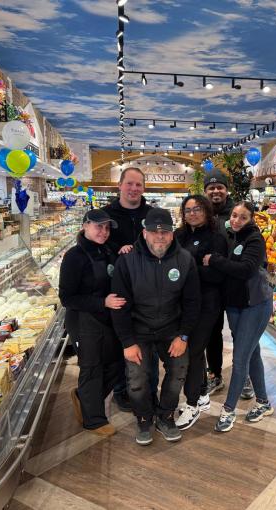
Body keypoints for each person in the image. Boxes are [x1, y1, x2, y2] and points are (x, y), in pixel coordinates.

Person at [111, 208, 201, 445]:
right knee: (137, 380)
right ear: (144, 233)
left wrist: (183, 336)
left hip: (171, 328)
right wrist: (127, 343)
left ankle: (165, 415)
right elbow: (118, 305)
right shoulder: (127, 261)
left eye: (165, 232)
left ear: (172, 234)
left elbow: (192, 302)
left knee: (178, 371)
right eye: (154, 231)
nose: (159, 236)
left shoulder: (184, 260)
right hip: (137, 330)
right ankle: (143, 418)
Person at [203, 201, 274, 432]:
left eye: (242, 217)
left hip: (255, 305)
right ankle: (263, 403)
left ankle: (228, 410)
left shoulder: (254, 239)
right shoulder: (230, 236)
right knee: (252, 353)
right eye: (234, 215)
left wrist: (214, 260)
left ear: (251, 219)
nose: (236, 220)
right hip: (235, 306)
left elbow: (245, 270)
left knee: (240, 358)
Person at [59, 209, 126, 437]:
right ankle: (94, 420)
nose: (104, 232)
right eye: (99, 226)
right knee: (92, 367)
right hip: (83, 319)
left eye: (107, 228)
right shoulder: (74, 257)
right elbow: (67, 298)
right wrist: (102, 302)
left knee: (117, 363)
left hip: (105, 318)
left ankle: (83, 397)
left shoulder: (107, 251)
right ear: (85, 225)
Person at [101, 167, 156, 411]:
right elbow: (99, 243)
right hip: (117, 286)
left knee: (146, 340)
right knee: (120, 340)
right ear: (120, 185)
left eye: (138, 185)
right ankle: (122, 390)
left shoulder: (152, 213)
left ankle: (149, 388)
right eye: (129, 184)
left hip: (148, 288)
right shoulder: (106, 214)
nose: (134, 189)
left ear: (144, 188)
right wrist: (118, 252)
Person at [174, 195, 227, 430]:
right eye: (188, 210)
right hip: (184, 303)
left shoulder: (217, 238)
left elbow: (217, 275)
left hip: (208, 303)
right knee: (194, 351)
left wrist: (186, 270)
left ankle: (193, 403)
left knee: (194, 350)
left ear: (206, 210)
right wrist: (199, 267)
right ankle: (202, 392)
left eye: (197, 209)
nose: (192, 213)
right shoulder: (179, 236)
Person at [204, 169, 254, 400]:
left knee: (241, 334)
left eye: (219, 187)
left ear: (226, 189)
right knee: (212, 332)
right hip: (211, 287)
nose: (216, 191)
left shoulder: (238, 212)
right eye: (211, 188)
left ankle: (245, 377)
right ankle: (215, 375)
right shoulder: (201, 213)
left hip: (236, 286)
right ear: (206, 191)